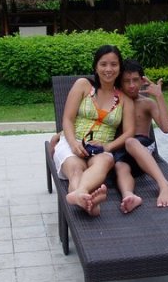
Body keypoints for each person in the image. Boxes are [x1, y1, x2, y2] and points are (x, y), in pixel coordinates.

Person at [52, 45, 134, 217]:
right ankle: (89, 204)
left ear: (120, 68)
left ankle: (80, 195)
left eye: (114, 64)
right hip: (73, 141)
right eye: (103, 64)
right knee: (76, 170)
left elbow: (129, 132)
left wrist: (107, 146)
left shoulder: (125, 100)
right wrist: (73, 144)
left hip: (100, 149)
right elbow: (67, 119)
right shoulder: (83, 85)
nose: (108, 69)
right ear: (95, 67)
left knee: (105, 161)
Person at [115, 59, 168, 214]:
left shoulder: (147, 103)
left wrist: (159, 96)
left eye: (135, 80)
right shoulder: (115, 102)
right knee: (120, 166)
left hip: (143, 147)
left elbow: (167, 128)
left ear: (142, 81)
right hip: (124, 152)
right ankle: (129, 196)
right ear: (120, 82)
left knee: (130, 141)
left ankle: (164, 185)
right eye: (126, 81)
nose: (131, 85)